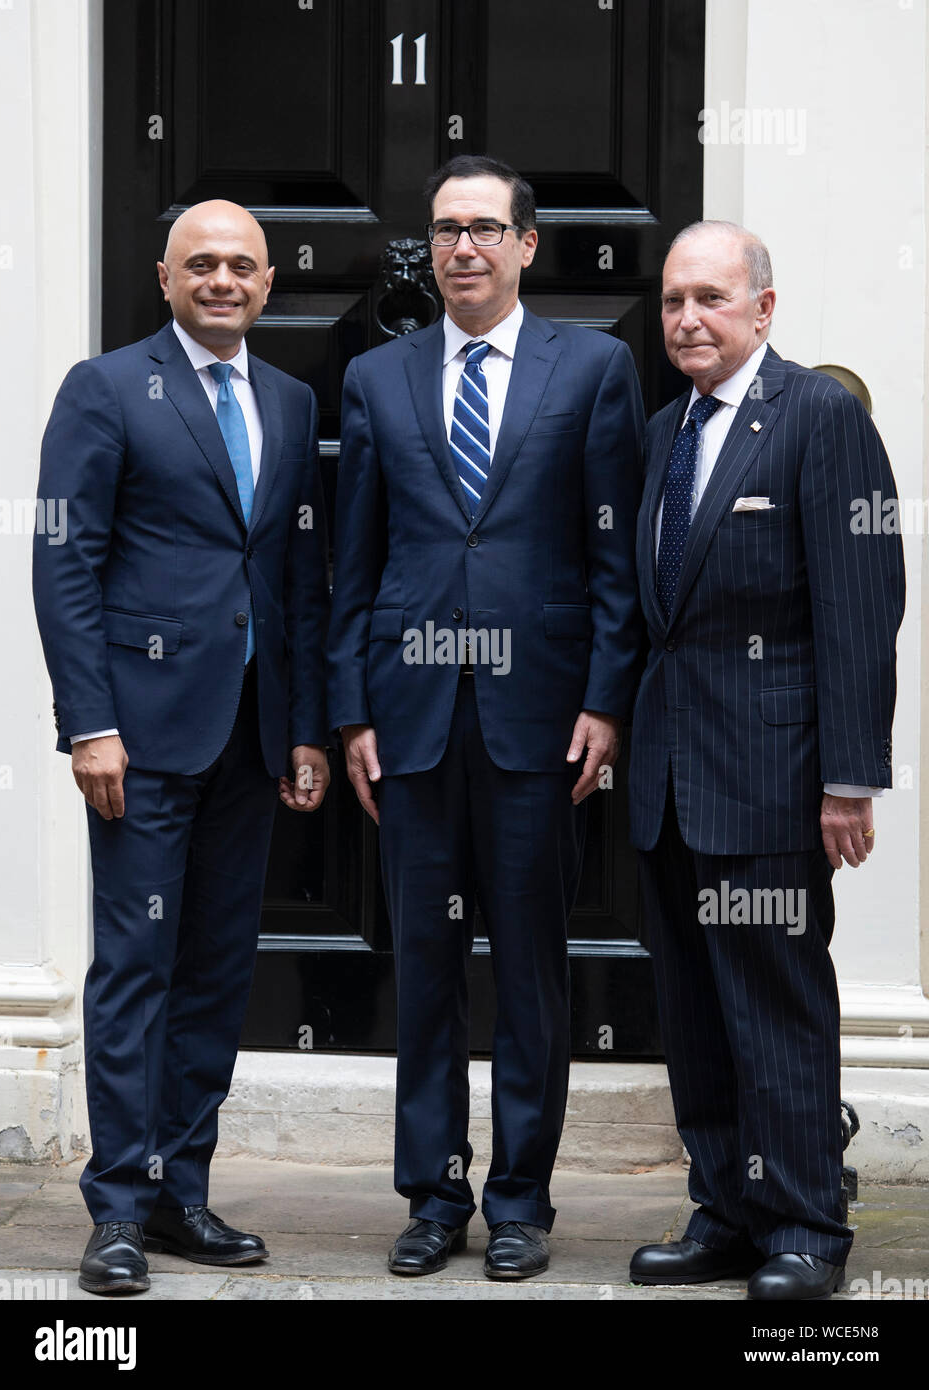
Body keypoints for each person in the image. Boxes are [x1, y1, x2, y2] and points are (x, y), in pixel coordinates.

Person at [327, 155, 646, 1280]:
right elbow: (351, 561)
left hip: (539, 716)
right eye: (443, 231)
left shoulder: (595, 369)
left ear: (524, 245)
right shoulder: (378, 379)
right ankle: (430, 1193)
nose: (461, 248)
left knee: (527, 966)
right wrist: (349, 708)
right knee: (423, 963)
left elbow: (614, 559)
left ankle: (520, 1199)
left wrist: (607, 698)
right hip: (410, 715)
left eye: (483, 230)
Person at [32, 200, 330, 1295]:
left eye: (239, 265)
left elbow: (295, 577)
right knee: (134, 970)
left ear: (265, 282)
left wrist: (302, 727)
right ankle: (114, 1210)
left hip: (251, 737)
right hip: (142, 739)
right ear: (162, 277)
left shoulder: (291, 403)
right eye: (199, 263)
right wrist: (90, 723)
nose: (220, 280)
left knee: (213, 973)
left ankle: (178, 1193)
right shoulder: (105, 388)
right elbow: (64, 561)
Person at [628, 220, 905, 1300]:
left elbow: (858, 607)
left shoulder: (819, 418)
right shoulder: (664, 432)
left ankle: (803, 1227)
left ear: (762, 308)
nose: (686, 319)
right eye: (670, 302)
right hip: (666, 778)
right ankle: (725, 1212)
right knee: (692, 1008)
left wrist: (848, 778)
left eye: (708, 298)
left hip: (774, 778)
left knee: (775, 1007)